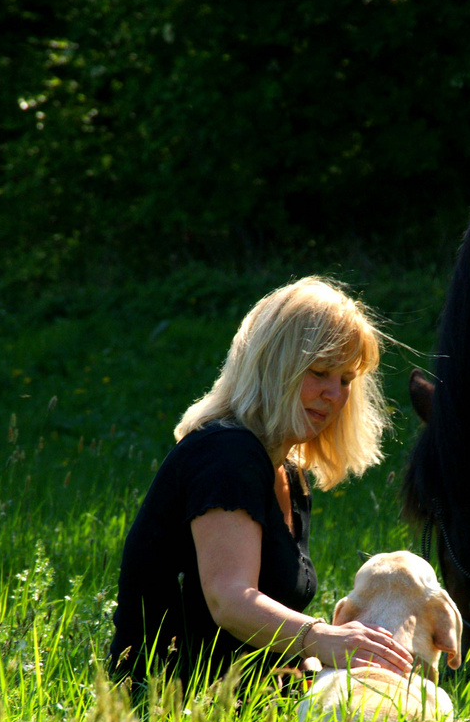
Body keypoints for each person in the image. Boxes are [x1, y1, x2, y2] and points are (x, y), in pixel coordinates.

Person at [109, 276, 413, 695]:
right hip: (174, 710)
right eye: (320, 372)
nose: (334, 394)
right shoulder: (226, 455)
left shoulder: (287, 469)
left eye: (345, 380)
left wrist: (343, 652)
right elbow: (229, 601)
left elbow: (263, 640)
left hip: (251, 704)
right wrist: (323, 639)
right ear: (274, 367)